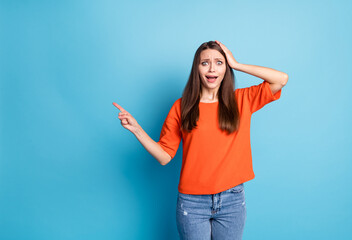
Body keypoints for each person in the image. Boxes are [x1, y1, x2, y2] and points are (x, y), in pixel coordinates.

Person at [113, 40, 288, 240]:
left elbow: (281, 79)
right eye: (205, 63)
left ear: (226, 68)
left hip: (232, 200)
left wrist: (237, 64)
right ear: (197, 68)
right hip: (192, 204)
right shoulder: (182, 107)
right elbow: (164, 156)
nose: (212, 68)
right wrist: (137, 130)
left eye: (219, 62)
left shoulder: (241, 100)